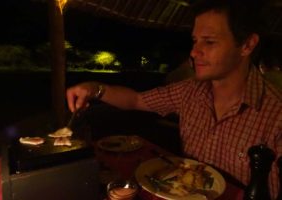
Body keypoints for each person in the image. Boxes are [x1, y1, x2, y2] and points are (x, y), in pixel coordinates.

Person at [66, 0, 281, 198]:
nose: (194, 52)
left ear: (247, 45)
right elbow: (136, 100)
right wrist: (95, 89)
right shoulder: (190, 91)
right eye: (195, 41)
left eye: (209, 42)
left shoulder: (276, 115)